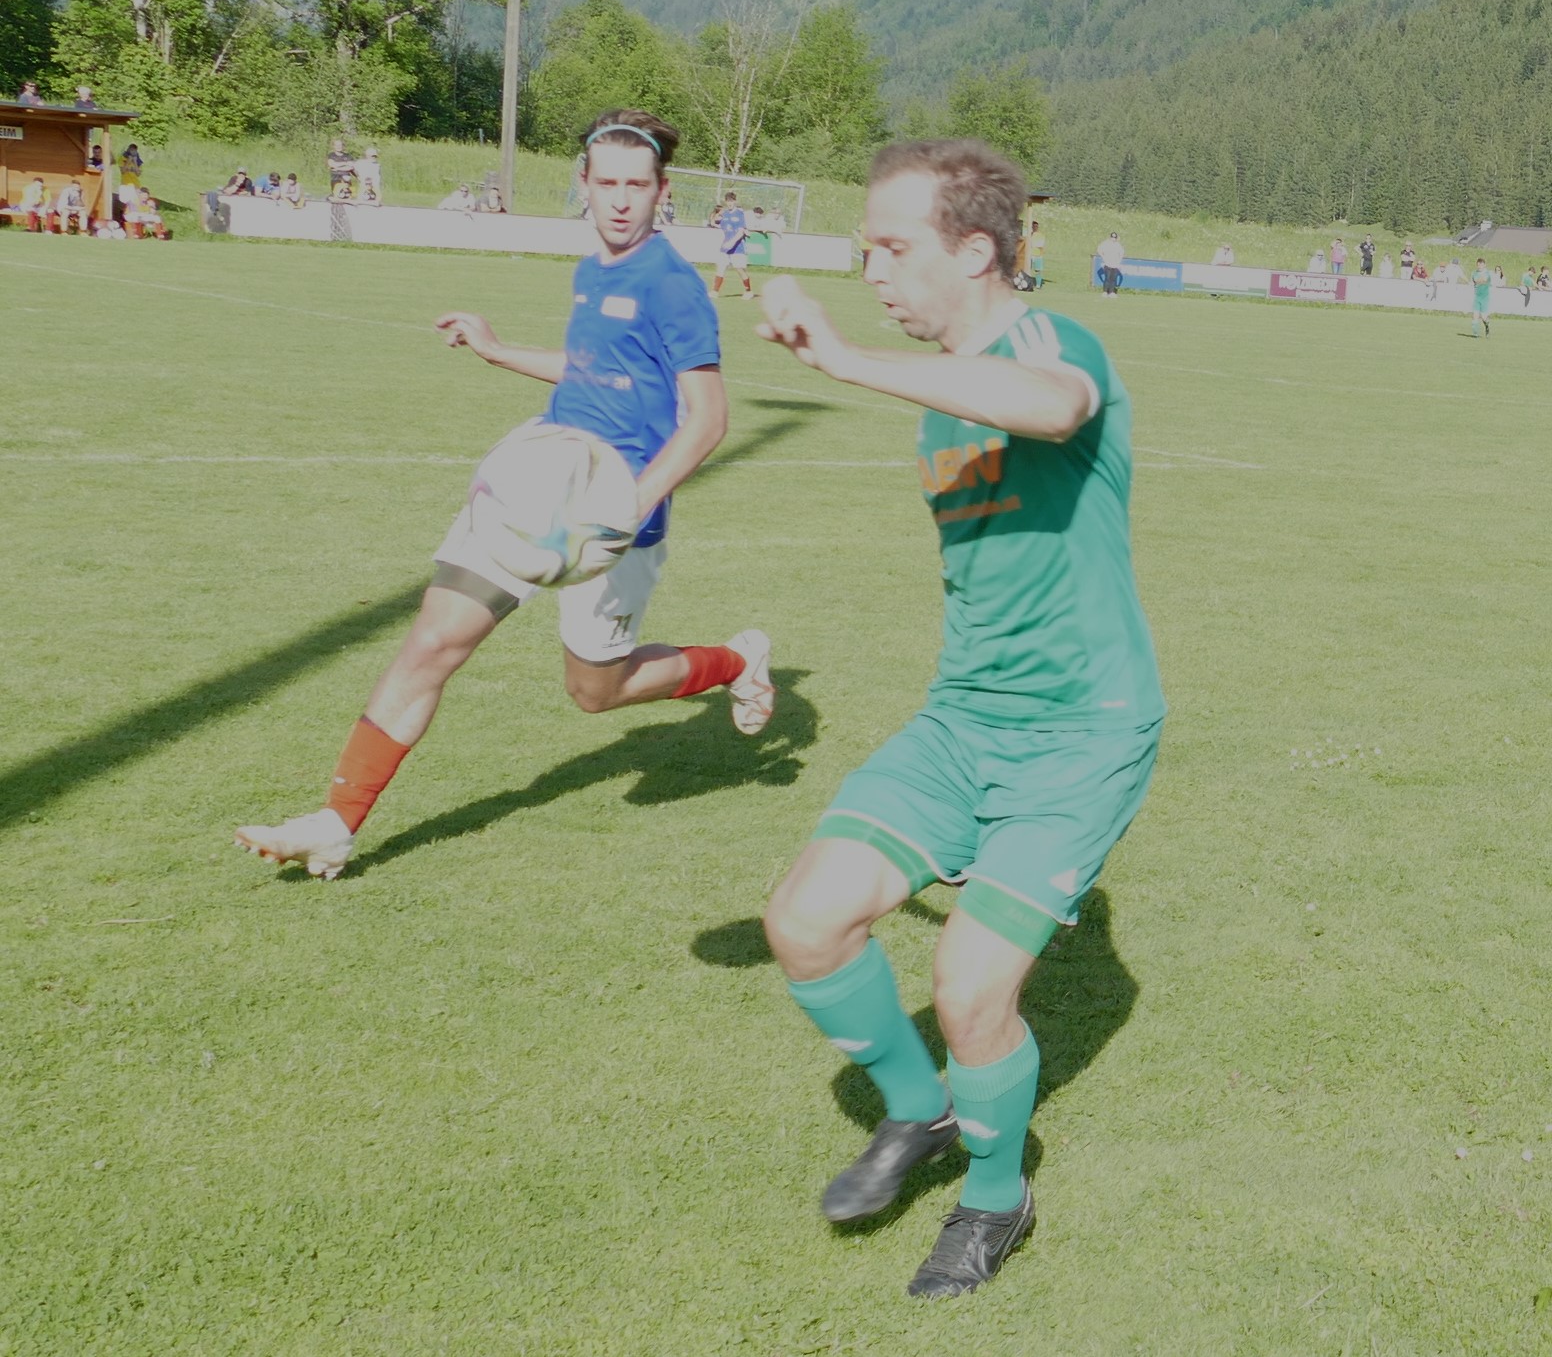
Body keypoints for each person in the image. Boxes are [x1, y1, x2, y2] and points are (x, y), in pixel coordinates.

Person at [757, 138, 1163, 1301]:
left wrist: (845, 360)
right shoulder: (941, 402)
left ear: (976, 251)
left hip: (1082, 731)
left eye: (893, 248)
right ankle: (921, 1111)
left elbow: (1054, 406)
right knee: (805, 923)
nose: (871, 272)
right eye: (865, 250)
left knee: (970, 988)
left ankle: (995, 1197)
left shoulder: (1051, 345)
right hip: (963, 720)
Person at [233, 108, 776, 881]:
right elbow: (589, 367)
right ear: (584, 185)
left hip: (613, 520)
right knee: (432, 640)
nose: (621, 200)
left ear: (663, 192)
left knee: (596, 691)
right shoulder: (593, 269)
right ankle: (334, 823)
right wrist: (496, 350)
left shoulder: (673, 286)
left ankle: (735, 660)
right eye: (607, 183)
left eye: (638, 185)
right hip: (534, 487)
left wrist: (629, 505)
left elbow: (709, 418)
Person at [712, 190, 754, 300]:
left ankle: (748, 291)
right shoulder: (725, 214)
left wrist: (732, 242)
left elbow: (740, 231)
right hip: (725, 246)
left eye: (731, 201)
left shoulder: (739, 214)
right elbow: (720, 225)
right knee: (721, 267)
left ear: (735, 201)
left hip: (737, 247)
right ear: (725, 202)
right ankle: (715, 291)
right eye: (728, 201)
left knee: (739, 269)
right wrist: (715, 219)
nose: (730, 203)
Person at [1470, 257, 1491, 338]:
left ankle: (1487, 326)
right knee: (1475, 316)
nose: (1479, 266)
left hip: (1485, 298)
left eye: (1481, 265)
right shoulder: (1474, 273)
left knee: (1483, 317)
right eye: (1478, 265)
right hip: (1477, 297)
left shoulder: (1487, 273)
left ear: (1484, 265)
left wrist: (1477, 281)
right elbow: (1472, 282)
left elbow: (1483, 280)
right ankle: (1476, 334)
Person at [1097, 231, 1124, 295]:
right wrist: (1103, 257)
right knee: (1107, 278)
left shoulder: (1118, 245)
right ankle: (1105, 292)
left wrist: (1119, 261)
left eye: (1115, 237)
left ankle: (1111, 292)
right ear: (1110, 237)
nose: (1113, 238)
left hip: (1115, 265)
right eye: (1112, 237)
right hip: (1107, 264)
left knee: (1113, 279)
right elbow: (1099, 250)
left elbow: (1122, 253)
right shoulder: (1106, 243)